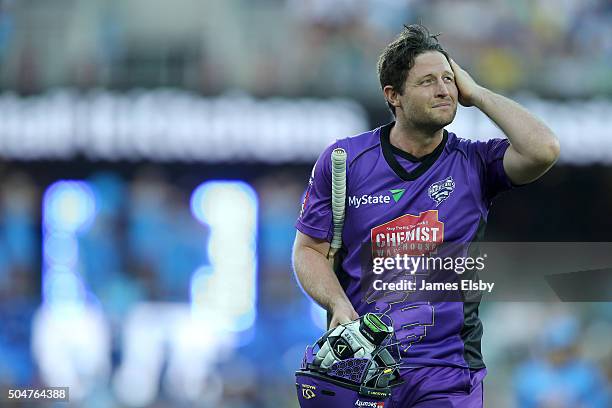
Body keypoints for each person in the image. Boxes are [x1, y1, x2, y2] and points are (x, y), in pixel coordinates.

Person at [292, 24, 560, 407]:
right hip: (366, 369)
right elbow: (308, 251)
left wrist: (478, 93)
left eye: (449, 80)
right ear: (394, 96)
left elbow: (544, 149)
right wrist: (337, 304)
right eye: (428, 81)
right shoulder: (345, 161)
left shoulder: (475, 162)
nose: (444, 90)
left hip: (449, 373)